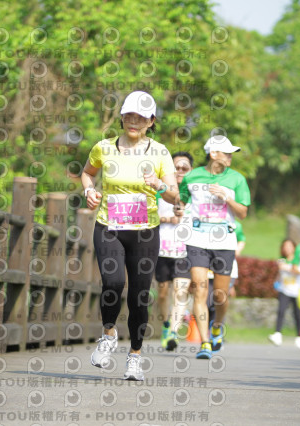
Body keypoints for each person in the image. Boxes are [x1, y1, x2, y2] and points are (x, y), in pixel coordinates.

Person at [81, 91, 179, 380]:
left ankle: (134, 356)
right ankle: (109, 334)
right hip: (108, 226)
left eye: (141, 117)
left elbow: (175, 197)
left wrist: (160, 184)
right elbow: (87, 173)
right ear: (122, 116)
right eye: (129, 115)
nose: (133, 121)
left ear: (151, 121)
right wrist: (89, 190)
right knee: (112, 283)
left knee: (139, 295)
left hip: (145, 232)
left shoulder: (160, 152)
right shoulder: (104, 147)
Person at [178, 135, 250, 359]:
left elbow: (243, 213)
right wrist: (178, 210)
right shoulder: (192, 176)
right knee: (199, 289)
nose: (230, 157)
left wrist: (227, 198)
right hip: (197, 239)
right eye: (226, 153)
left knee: (220, 295)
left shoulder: (237, 179)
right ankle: (205, 343)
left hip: (224, 241)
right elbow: (182, 202)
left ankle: (217, 325)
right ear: (213, 154)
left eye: (231, 154)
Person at [156, 152, 193, 351]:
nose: (179, 171)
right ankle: (166, 325)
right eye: (176, 167)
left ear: (191, 171)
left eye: (184, 168)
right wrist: (168, 219)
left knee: (180, 292)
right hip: (161, 249)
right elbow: (147, 213)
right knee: (162, 293)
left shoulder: (195, 192)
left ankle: (173, 332)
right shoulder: (160, 190)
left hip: (184, 250)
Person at [268, 239, 300, 348]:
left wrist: (287, 268)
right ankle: (277, 334)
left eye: (289, 246)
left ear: (294, 247)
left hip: (297, 290)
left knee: (297, 315)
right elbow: (280, 274)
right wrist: (276, 282)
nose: (287, 248)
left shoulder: (298, 260)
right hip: (284, 290)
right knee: (281, 311)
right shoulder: (281, 260)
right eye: (285, 246)